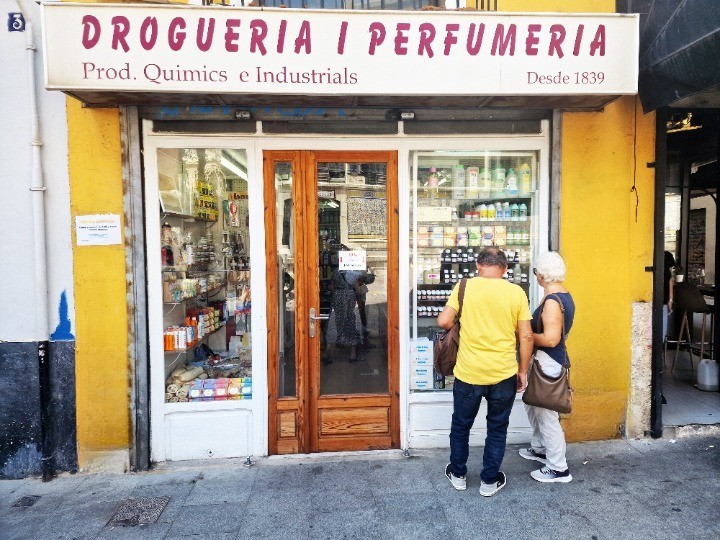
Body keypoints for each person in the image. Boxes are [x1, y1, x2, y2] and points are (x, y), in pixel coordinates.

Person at [438, 247, 533, 497]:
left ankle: (458, 474)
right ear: (505, 268)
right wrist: (522, 370)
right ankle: (489, 481)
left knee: (461, 424)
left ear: (478, 266)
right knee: (497, 428)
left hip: (469, 371)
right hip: (503, 373)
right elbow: (525, 335)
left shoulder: (464, 287)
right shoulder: (516, 292)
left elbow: (443, 321)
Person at [519, 251, 575, 483]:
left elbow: (551, 339)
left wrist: (524, 334)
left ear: (541, 275)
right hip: (547, 360)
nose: (536, 277)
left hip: (548, 360)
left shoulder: (552, 302)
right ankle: (540, 448)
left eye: (535, 272)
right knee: (533, 405)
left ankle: (558, 467)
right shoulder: (562, 295)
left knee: (546, 414)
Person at [327, 268, 363, 361]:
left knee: (337, 319)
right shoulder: (354, 273)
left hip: (337, 296)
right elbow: (358, 290)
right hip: (349, 296)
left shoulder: (334, 272)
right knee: (350, 319)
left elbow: (332, 288)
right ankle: (353, 353)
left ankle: (328, 352)